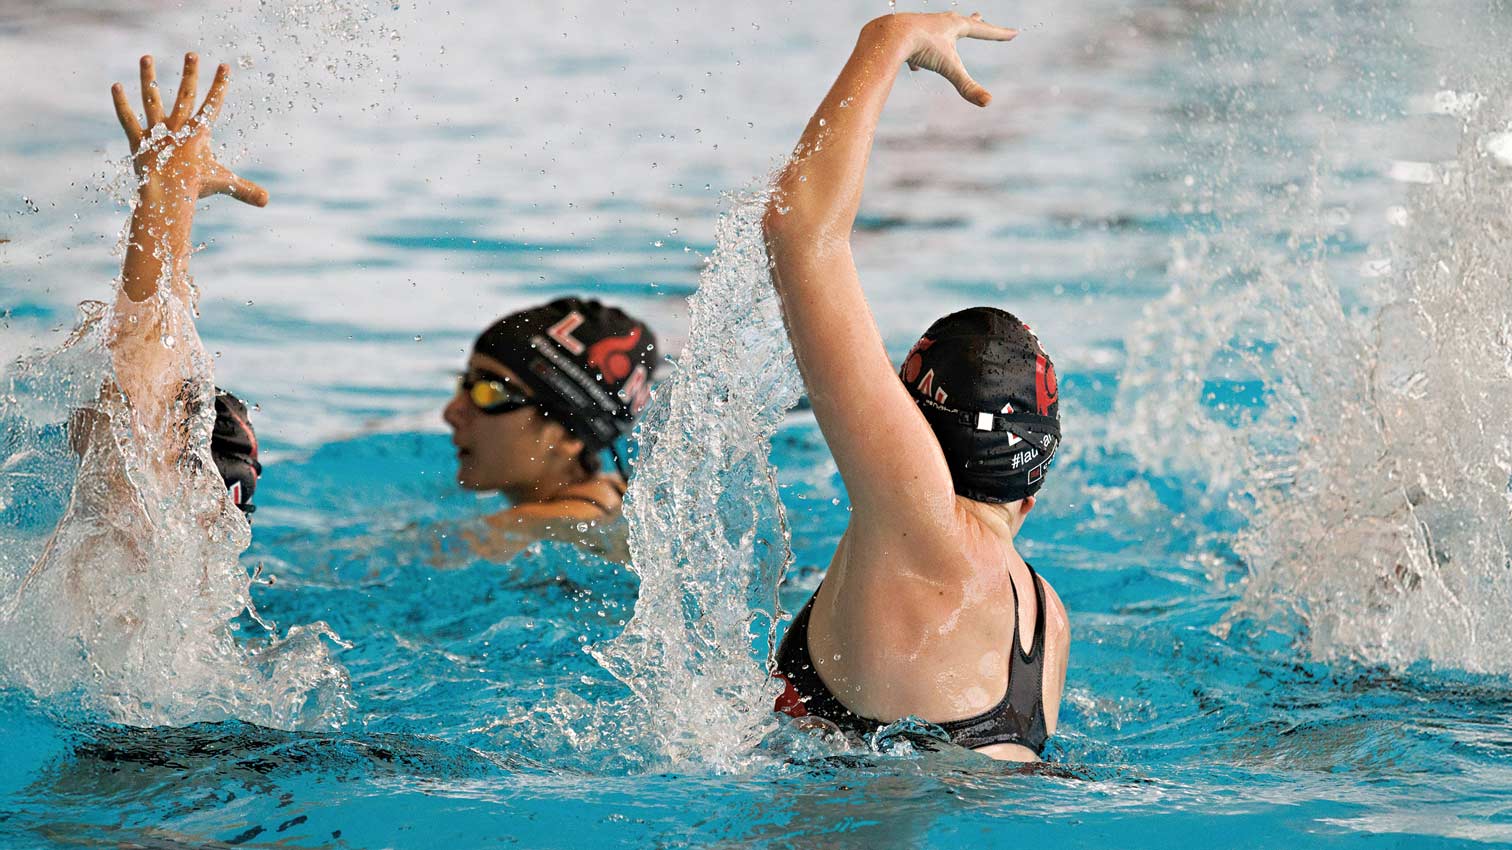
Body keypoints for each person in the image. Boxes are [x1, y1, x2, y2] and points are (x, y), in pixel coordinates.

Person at [762, 12, 1070, 762]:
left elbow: (800, 232)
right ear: (1034, 479)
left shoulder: (918, 523)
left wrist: (888, 38)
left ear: (909, 425)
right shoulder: (1047, 618)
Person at [436, 298, 659, 564]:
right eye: (465, 385)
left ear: (568, 436)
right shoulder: (627, 501)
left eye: (490, 392)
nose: (451, 412)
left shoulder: (515, 535)